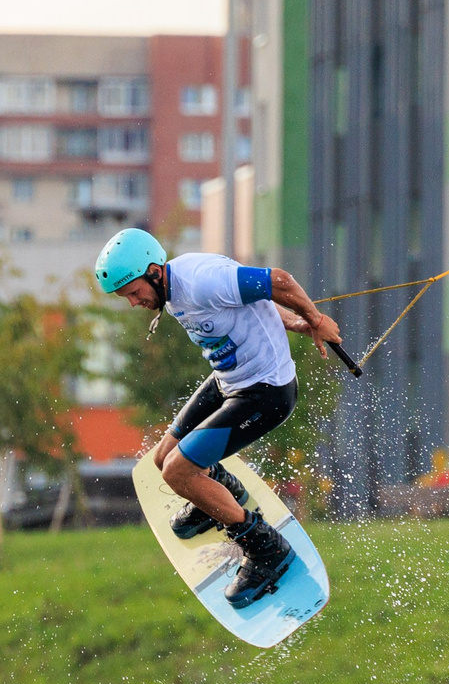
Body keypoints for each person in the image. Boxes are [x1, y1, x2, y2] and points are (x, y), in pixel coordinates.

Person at [93, 227, 346, 606]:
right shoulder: (172, 290)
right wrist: (294, 322)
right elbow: (251, 300)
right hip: (229, 380)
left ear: (153, 272)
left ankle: (266, 550)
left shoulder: (200, 282)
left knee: (177, 471)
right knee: (163, 458)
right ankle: (219, 490)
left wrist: (314, 317)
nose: (133, 303)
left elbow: (278, 280)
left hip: (265, 391)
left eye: (133, 293)